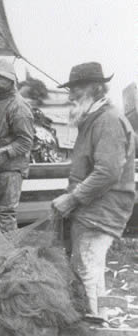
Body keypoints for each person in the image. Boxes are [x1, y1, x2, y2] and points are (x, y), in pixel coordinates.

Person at [52, 62, 135, 317]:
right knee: (91, 268)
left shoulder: (107, 120)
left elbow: (108, 172)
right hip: (92, 207)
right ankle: (98, 319)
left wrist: (73, 198)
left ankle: (90, 324)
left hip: (101, 209)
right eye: (70, 88)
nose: (71, 94)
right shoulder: (94, 118)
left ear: (97, 88)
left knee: (85, 268)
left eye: (77, 87)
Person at [0, 59, 35, 232]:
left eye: (1, 79)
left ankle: (9, 255)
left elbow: (26, 142)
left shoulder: (19, 107)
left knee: (5, 213)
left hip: (11, 169)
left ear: (12, 81)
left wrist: (3, 151)